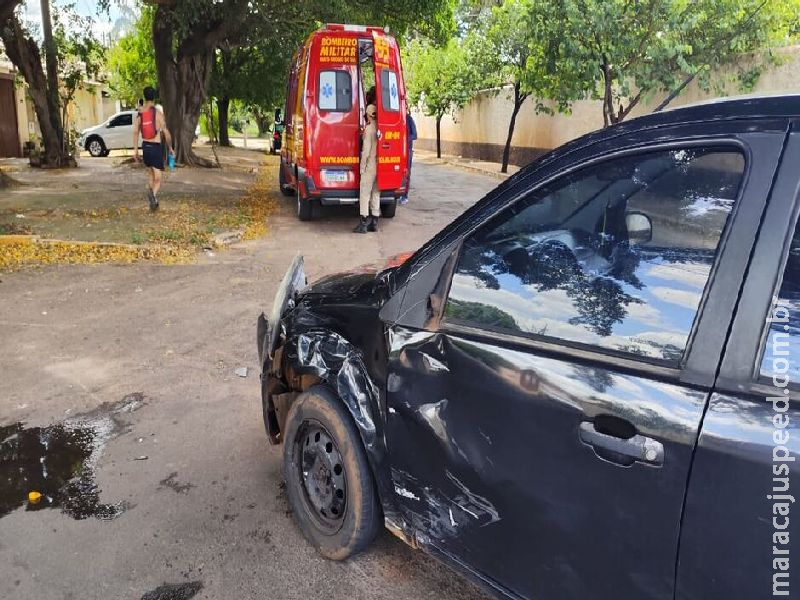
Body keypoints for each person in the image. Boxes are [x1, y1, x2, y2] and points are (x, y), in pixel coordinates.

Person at [133, 86, 173, 211]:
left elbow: (135, 132)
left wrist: (135, 151)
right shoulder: (158, 114)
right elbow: (166, 133)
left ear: (145, 97)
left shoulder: (140, 114)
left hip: (145, 147)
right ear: (154, 97)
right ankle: (153, 196)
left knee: (151, 173)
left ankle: (153, 200)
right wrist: (170, 148)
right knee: (158, 178)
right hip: (155, 147)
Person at [354, 104, 379, 234]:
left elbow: (366, 152)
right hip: (380, 166)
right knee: (376, 193)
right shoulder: (381, 127)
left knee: (364, 194)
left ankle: (363, 224)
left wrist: (362, 167)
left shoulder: (369, 129)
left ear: (368, 115)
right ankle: (374, 223)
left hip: (370, 166)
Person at [399, 113, 417, 205]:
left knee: (406, 173)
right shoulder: (395, 117)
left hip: (407, 150)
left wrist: (404, 139)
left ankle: (404, 196)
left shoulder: (408, 119)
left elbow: (414, 135)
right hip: (397, 150)